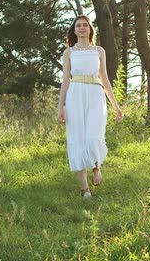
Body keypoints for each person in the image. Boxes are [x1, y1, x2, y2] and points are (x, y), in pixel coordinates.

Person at [57, 15, 123, 198]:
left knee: (94, 135)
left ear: (90, 29)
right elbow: (65, 82)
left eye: (85, 25)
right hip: (75, 95)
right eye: (78, 25)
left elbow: (105, 78)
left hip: (95, 94)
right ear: (74, 30)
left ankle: (96, 166)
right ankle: (84, 187)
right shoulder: (68, 53)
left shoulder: (99, 51)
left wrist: (116, 106)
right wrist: (61, 106)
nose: (82, 28)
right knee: (77, 138)